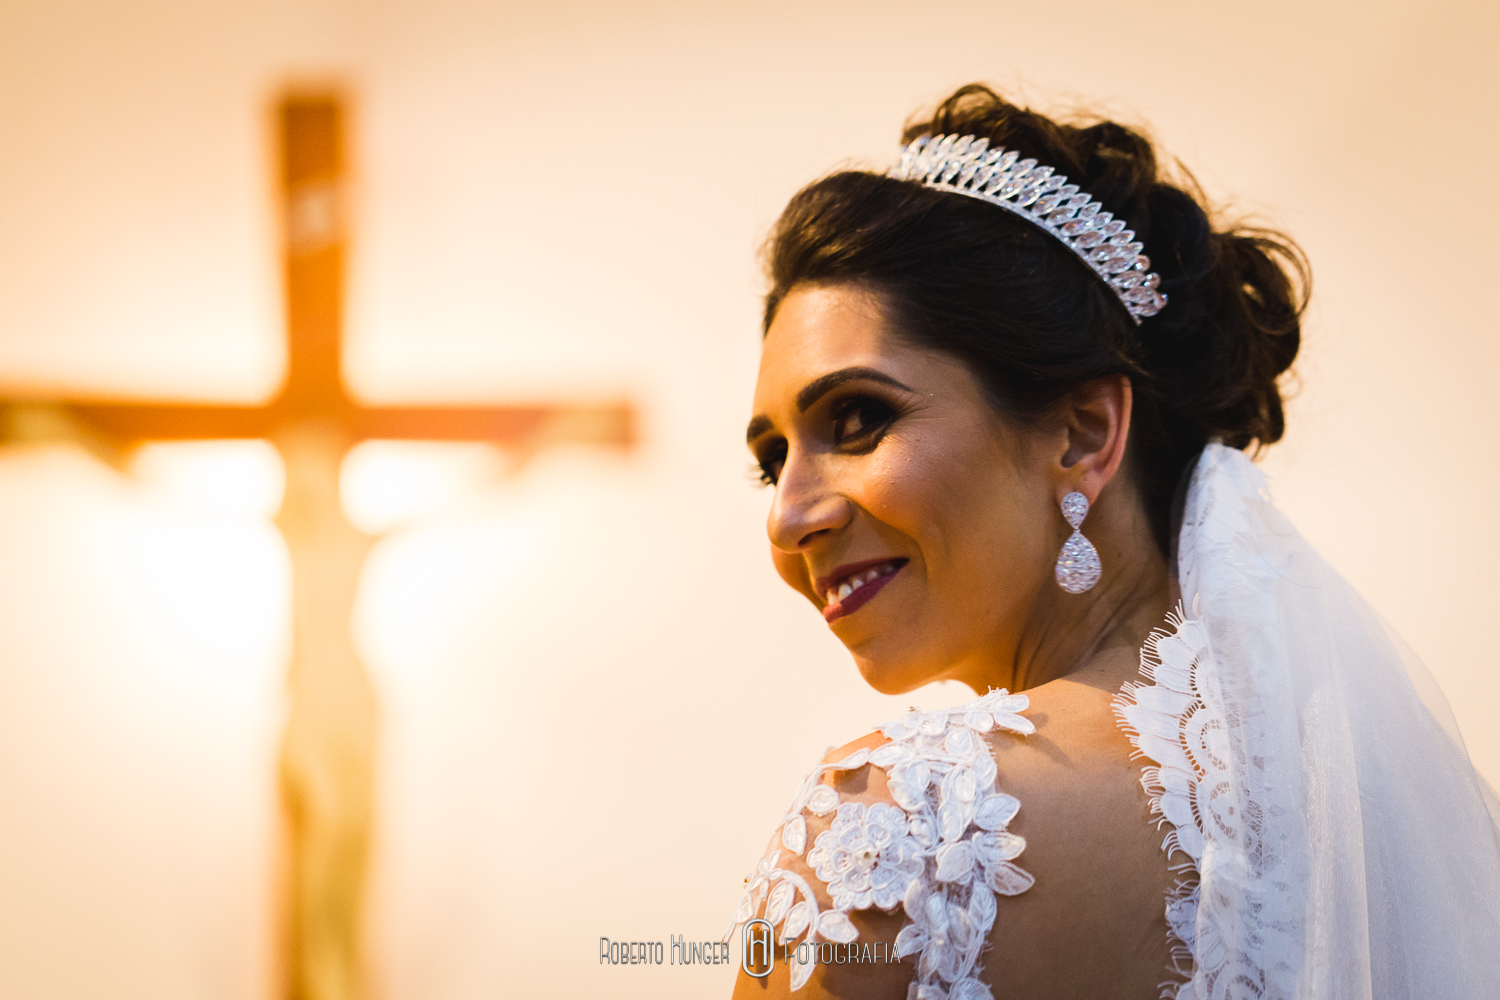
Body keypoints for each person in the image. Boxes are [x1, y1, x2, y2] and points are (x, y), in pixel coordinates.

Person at [728, 84, 1500, 1000]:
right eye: (773, 460)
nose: (788, 516)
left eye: (856, 419)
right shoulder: (1371, 835)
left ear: (1083, 433)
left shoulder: (897, 827)